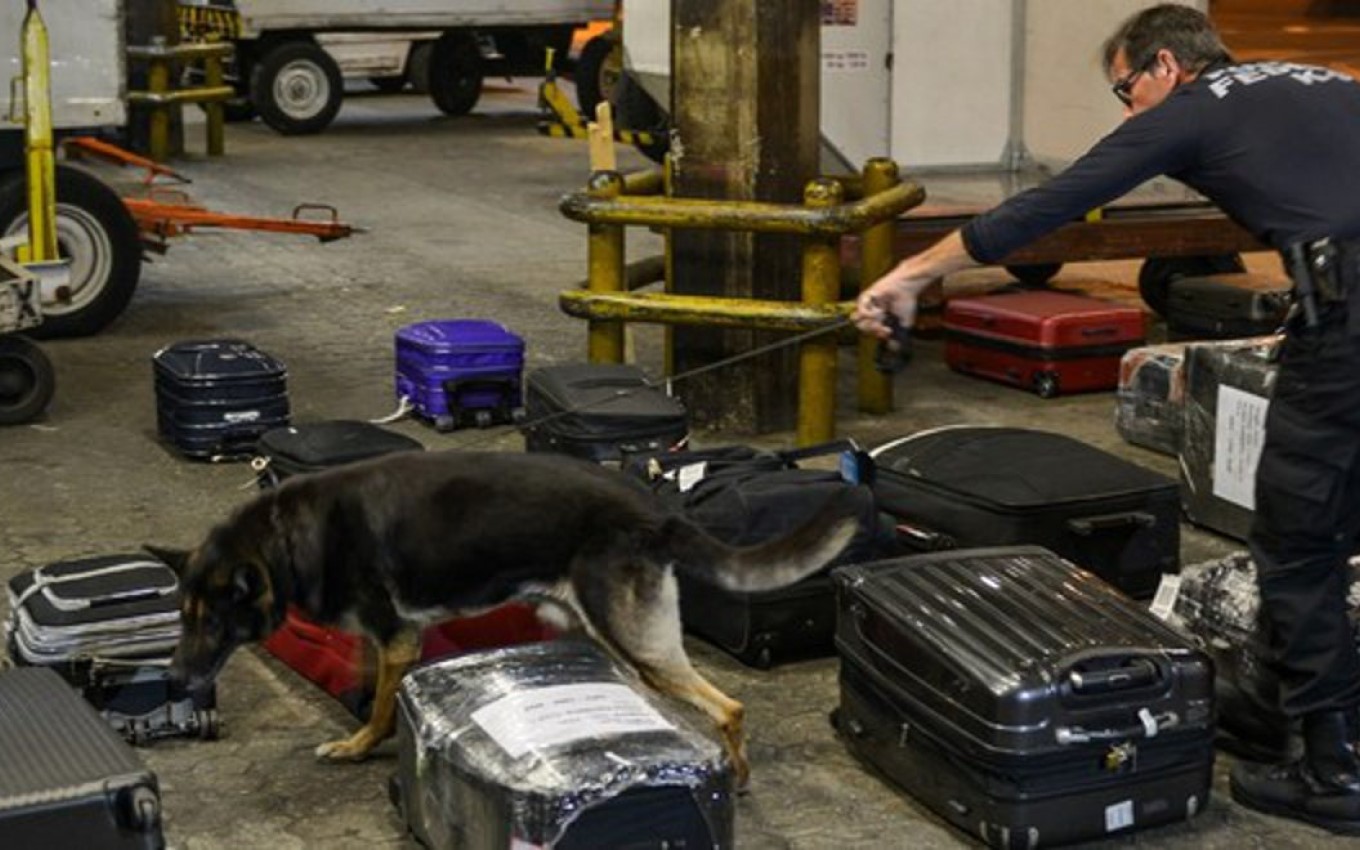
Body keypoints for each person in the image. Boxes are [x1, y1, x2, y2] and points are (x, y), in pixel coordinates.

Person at [853, 3, 1360, 834]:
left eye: (1126, 91)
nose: (1128, 112)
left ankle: (1334, 771)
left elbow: (1047, 207)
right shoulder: (1321, 82)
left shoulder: (1195, 107)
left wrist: (913, 274)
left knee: (1300, 540)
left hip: (1346, 320)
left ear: (1165, 66)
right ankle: (1297, 705)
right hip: (1337, 306)